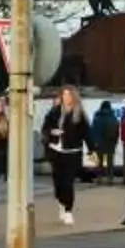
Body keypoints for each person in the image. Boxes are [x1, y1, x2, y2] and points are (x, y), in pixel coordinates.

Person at [40, 85, 90, 227]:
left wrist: (93, 150)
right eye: (64, 95)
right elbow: (45, 127)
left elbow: (87, 133)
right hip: (56, 152)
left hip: (72, 152)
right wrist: (52, 132)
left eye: (69, 95)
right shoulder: (55, 111)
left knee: (68, 183)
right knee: (58, 183)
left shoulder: (79, 114)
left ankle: (68, 210)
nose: (66, 97)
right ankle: (61, 202)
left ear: (74, 97)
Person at [89, 97, 118, 180]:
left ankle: (100, 178)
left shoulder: (97, 117)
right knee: (110, 162)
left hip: (100, 142)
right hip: (111, 142)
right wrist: (115, 141)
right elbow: (117, 130)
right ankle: (110, 178)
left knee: (100, 162)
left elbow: (93, 130)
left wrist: (94, 141)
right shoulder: (113, 117)